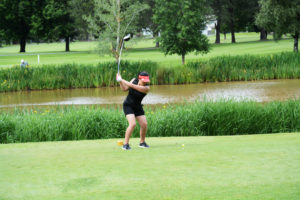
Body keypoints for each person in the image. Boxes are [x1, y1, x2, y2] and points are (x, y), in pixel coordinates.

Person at [116, 71, 150, 150]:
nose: (145, 82)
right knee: (132, 124)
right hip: (128, 105)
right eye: (143, 80)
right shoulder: (134, 80)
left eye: (146, 81)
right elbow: (124, 89)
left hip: (137, 106)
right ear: (139, 78)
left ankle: (142, 142)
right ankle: (126, 144)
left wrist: (121, 79)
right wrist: (120, 81)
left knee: (144, 124)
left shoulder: (146, 88)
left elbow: (132, 86)